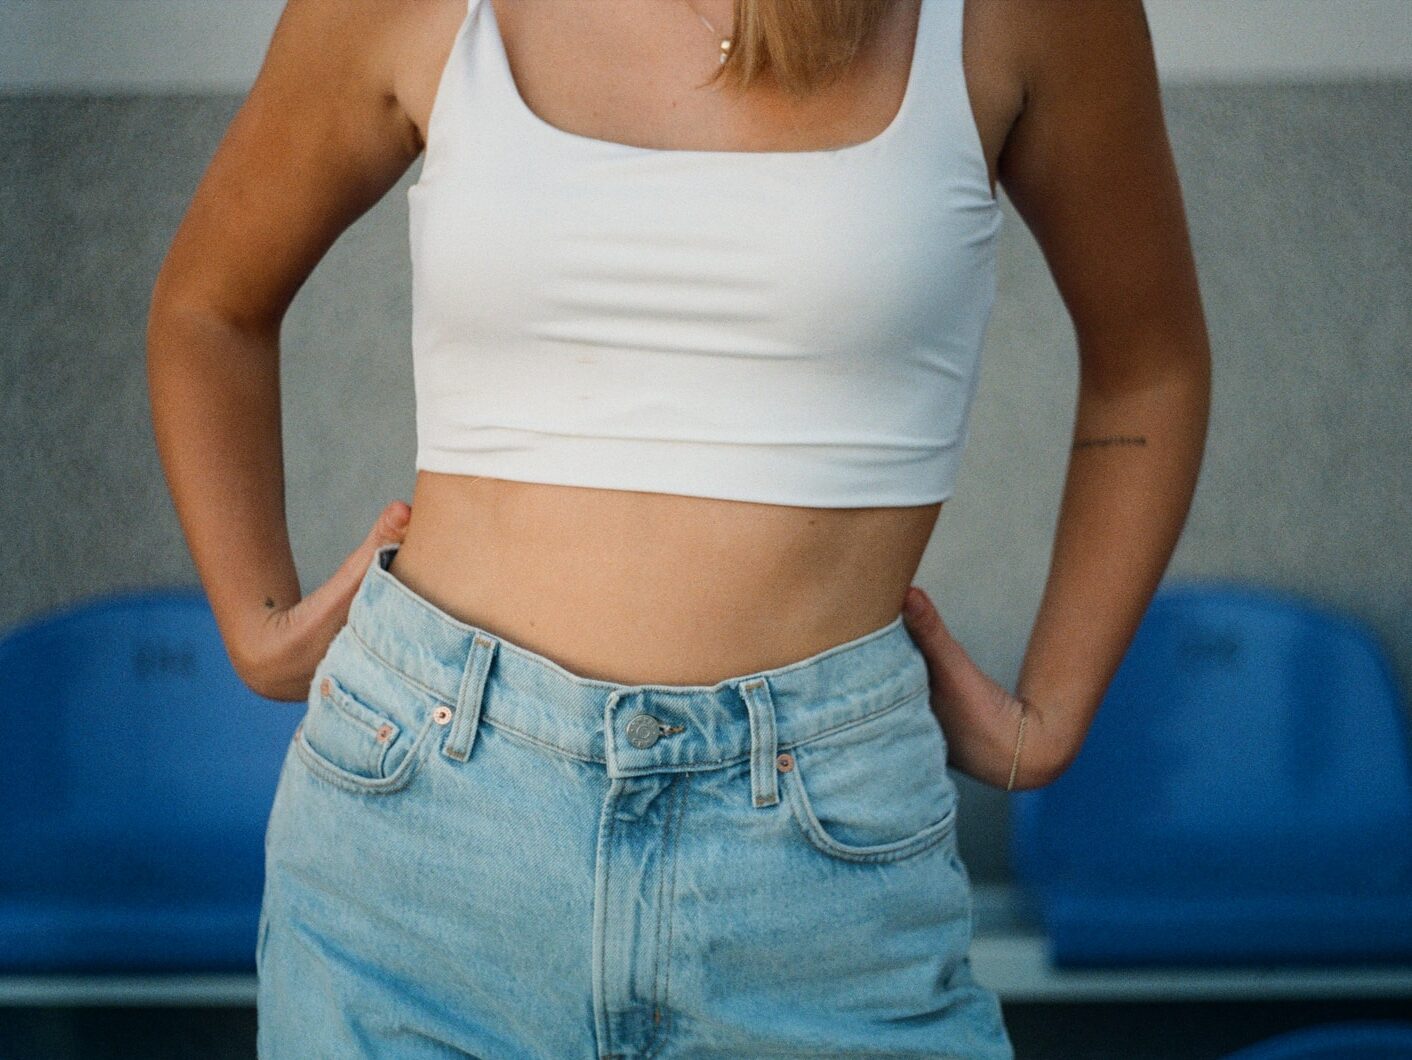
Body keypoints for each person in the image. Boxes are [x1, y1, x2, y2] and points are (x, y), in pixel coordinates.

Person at [146, 0, 1210, 1054]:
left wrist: (1057, 708)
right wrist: (254, 617)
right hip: (422, 842)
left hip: (817, 871)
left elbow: (1146, 366)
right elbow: (211, 305)